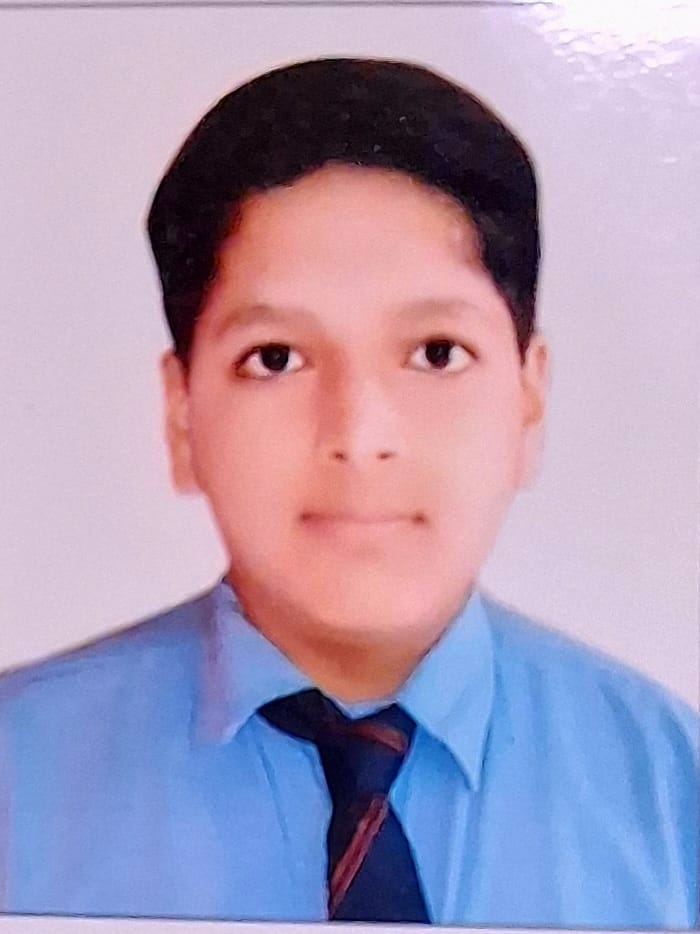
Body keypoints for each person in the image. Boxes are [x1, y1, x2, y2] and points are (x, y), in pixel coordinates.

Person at [0, 56, 697, 927]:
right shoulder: (17, 778)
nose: (360, 437)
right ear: (182, 416)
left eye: (436, 353)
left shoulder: (675, 794)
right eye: (276, 359)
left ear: (529, 397)